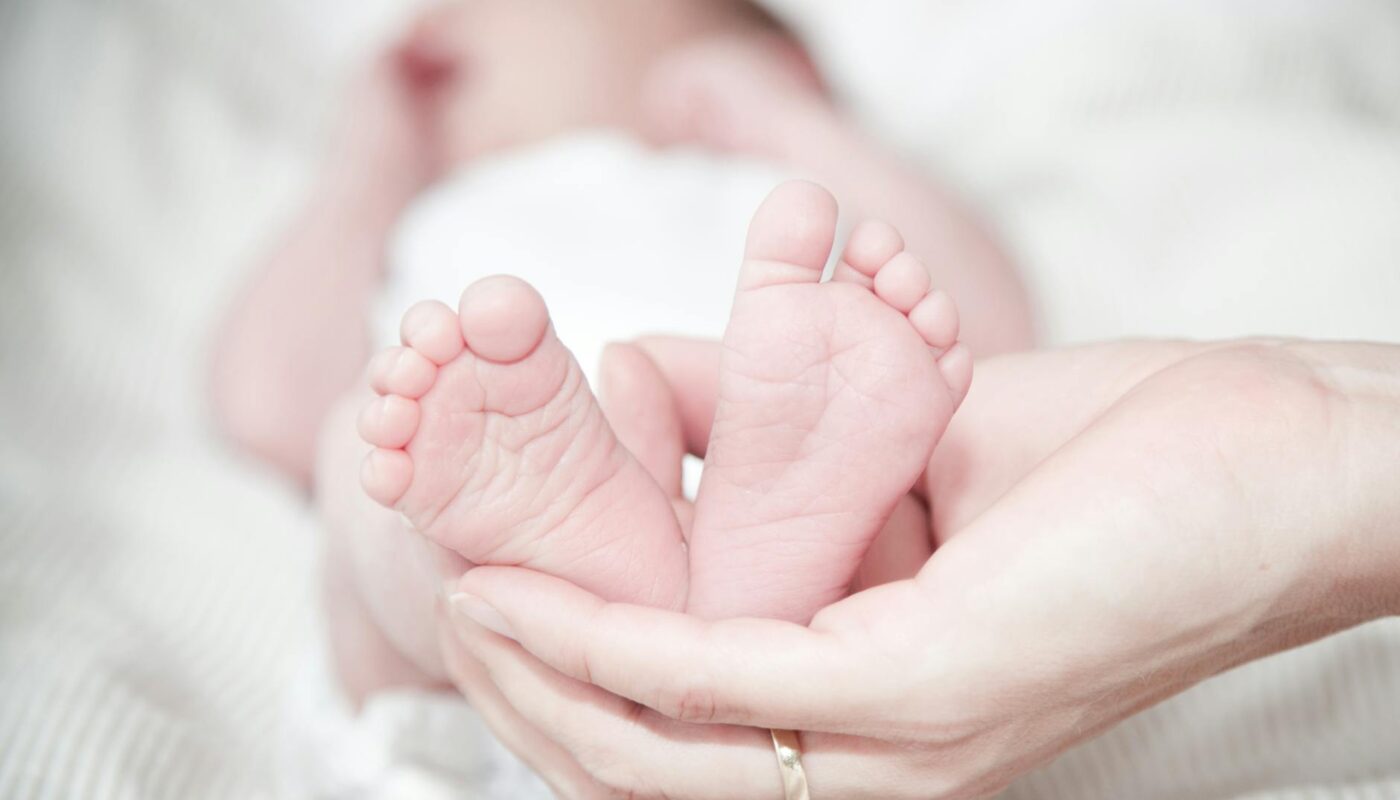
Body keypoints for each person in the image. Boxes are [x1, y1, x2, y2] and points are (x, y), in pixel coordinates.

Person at [210, 0, 1032, 703]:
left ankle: (715, 579)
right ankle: (633, 575)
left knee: (906, 481)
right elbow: (270, 403)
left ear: (756, 55)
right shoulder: (437, 207)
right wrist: (374, 157)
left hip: (815, 610)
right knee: (375, 452)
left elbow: (986, 340)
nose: (441, 24)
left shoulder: (776, 184)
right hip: (480, 670)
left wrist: (787, 119)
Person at [434, 335, 1400, 798]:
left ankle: (669, 580)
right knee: (425, 532)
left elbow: (974, 308)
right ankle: (703, 572)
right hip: (584, 409)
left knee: (431, 553)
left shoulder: (805, 127)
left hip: (676, 403)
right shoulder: (434, 171)